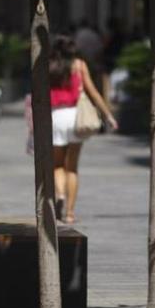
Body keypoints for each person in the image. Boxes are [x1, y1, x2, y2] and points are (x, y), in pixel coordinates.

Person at [46, 36, 117, 224]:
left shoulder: (48, 65)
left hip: (54, 117)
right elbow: (93, 91)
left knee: (57, 165)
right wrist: (108, 115)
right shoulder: (79, 65)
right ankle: (70, 213)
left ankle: (60, 194)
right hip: (75, 117)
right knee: (72, 167)